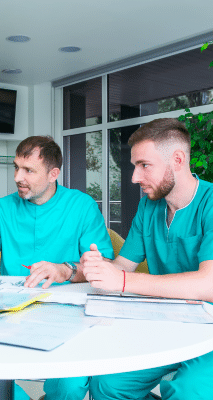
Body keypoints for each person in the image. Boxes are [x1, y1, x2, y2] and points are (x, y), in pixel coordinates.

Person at [0, 135, 114, 400]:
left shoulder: (82, 206)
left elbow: (105, 265)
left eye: (29, 170)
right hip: (9, 312)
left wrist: (65, 270)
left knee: (71, 383)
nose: (19, 177)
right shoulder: (4, 208)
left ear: (53, 173)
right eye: (16, 167)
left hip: (67, 314)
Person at [81, 118, 213, 400]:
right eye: (134, 166)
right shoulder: (149, 206)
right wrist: (96, 268)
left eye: (145, 165)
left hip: (211, 332)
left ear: (177, 159)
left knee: (188, 392)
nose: (134, 178)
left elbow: (208, 284)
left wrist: (123, 280)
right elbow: (122, 266)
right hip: (167, 323)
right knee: (108, 384)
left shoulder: (210, 203)